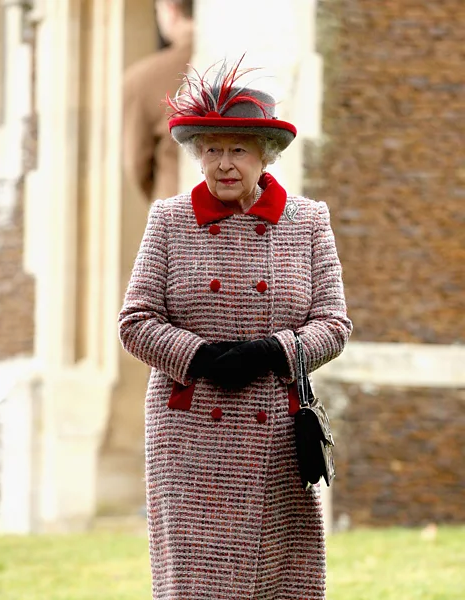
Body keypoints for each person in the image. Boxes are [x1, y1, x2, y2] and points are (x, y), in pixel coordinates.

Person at [119, 57, 353, 599]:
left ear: (264, 155)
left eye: (238, 149)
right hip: (190, 433)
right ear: (198, 152)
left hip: (275, 430)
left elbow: (334, 325)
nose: (223, 164)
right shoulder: (169, 220)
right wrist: (200, 358)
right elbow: (136, 321)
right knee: (199, 582)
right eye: (211, 149)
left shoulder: (308, 221)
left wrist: (275, 350)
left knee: (281, 580)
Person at [122, 0, 194, 204]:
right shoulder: (246, 61)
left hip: (176, 215)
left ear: (170, 9)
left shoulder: (143, 79)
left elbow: (138, 166)